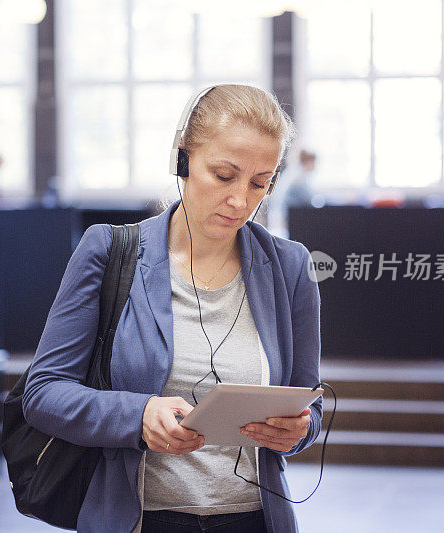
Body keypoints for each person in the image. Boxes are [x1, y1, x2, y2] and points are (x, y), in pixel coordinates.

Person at [22, 85, 321, 533]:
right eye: (224, 175)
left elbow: (306, 404)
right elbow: (42, 392)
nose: (241, 200)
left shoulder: (290, 266)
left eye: (261, 182)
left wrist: (298, 431)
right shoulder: (108, 252)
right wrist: (138, 415)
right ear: (181, 159)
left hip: (254, 519)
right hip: (140, 519)